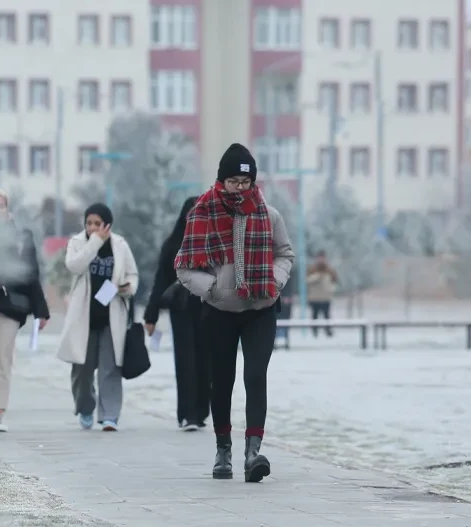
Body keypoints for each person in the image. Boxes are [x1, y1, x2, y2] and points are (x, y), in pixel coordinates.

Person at [175, 143, 295, 482]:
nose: (239, 189)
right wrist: (212, 288)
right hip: (219, 311)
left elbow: (285, 254)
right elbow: (183, 267)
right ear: (221, 180)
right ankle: (223, 449)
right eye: (233, 181)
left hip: (260, 307)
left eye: (245, 182)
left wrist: (274, 279)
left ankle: (253, 452)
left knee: (255, 376)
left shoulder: (269, 215)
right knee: (222, 381)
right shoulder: (202, 214)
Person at [0, 187, 50, 433]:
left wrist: (41, 310)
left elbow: (31, 274)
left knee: (2, 360)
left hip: (9, 306)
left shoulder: (20, 237)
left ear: (8, 209)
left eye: (1, 205)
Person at [56, 202, 139, 431]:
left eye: (97, 223)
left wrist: (128, 287)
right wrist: (95, 242)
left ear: (107, 224)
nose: (92, 227)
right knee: (82, 369)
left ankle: (110, 415)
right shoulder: (77, 243)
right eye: (89, 223)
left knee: (110, 368)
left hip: (111, 316)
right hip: (84, 316)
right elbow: (74, 266)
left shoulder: (120, 245)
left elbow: (132, 273)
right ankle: (85, 407)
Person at [144, 196, 209, 432]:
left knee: (206, 361)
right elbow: (160, 280)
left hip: (208, 308)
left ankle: (202, 411)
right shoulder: (173, 244)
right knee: (185, 360)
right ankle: (188, 414)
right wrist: (151, 315)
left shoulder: (214, 242)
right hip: (181, 309)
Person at [306, 250, 340, 336]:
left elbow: (335, 281)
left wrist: (331, 289)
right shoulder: (312, 269)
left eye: (322, 258)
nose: (321, 260)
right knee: (315, 315)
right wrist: (316, 277)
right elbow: (307, 280)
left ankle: (328, 330)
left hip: (326, 297)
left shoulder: (330, 269)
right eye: (320, 258)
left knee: (326, 315)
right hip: (314, 297)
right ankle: (314, 331)